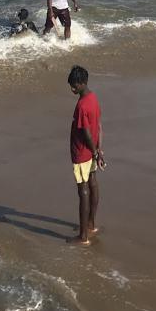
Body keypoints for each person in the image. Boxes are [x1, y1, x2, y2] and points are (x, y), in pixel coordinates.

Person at [66, 65, 103, 245]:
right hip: (93, 150)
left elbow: (86, 132)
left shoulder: (81, 105)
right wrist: (98, 150)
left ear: (81, 83)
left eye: (74, 85)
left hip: (82, 153)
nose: (72, 89)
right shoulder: (93, 98)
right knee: (93, 183)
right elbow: (99, 126)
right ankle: (91, 224)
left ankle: (83, 237)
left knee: (83, 191)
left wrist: (94, 152)